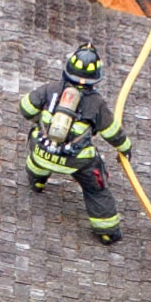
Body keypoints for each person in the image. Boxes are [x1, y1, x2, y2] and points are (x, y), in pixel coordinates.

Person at [19, 45, 132, 245]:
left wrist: (41, 122)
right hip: (75, 161)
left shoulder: (50, 89)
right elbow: (112, 133)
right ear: (95, 78)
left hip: (42, 152)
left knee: (36, 143)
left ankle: (37, 181)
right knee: (96, 189)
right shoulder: (96, 103)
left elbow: (26, 108)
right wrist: (125, 148)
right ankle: (107, 231)